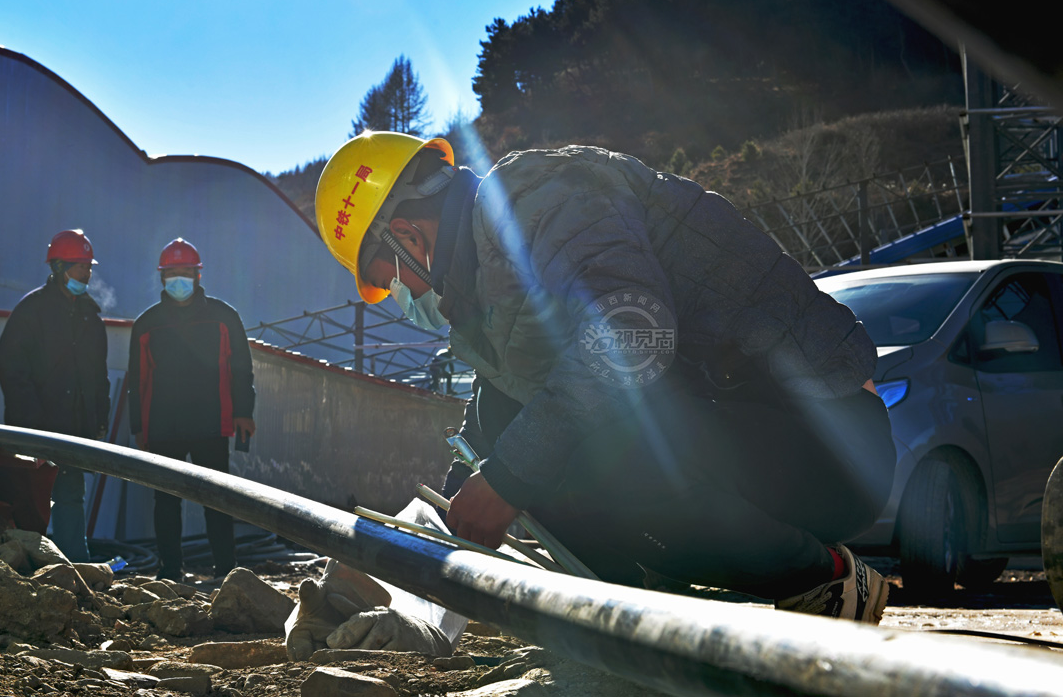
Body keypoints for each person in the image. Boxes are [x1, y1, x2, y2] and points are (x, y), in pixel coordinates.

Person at [313, 132, 897, 624]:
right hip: (741, 425)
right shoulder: (485, 299)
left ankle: (832, 579)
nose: (402, 296)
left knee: (571, 455)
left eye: (388, 279)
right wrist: (425, 539)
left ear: (407, 238)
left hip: (828, 438)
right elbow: (493, 426)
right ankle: (649, 618)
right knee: (510, 431)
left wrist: (510, 479)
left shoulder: (531, 199)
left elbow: (634, 329)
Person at [127, 238, 256, 581]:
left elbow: (242, 368)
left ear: (199, 276)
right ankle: (171, 571)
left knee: (218, 499)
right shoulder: (147, 324)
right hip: (162, 427)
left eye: (185, 272)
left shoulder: (224, 317)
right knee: (166, 502)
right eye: (172, 273)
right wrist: (139, 426)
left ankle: (226, 571)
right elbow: (136, 379)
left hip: (211, 423)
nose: (179, 280)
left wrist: (244, 411)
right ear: (161, 277)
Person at [0, 229, 109, 564]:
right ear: (59, 267)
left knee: (71, 497)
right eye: (80, 267)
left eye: (88, 267)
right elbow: (9, 365)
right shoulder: (32, 311)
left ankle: (76, 568)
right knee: (31, 500)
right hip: (35, 433)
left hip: (75, 432)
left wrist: (98, 419)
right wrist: (31, 422)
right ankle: (28, 566)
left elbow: (98, 378)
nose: (86, 274)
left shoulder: (91, 317)